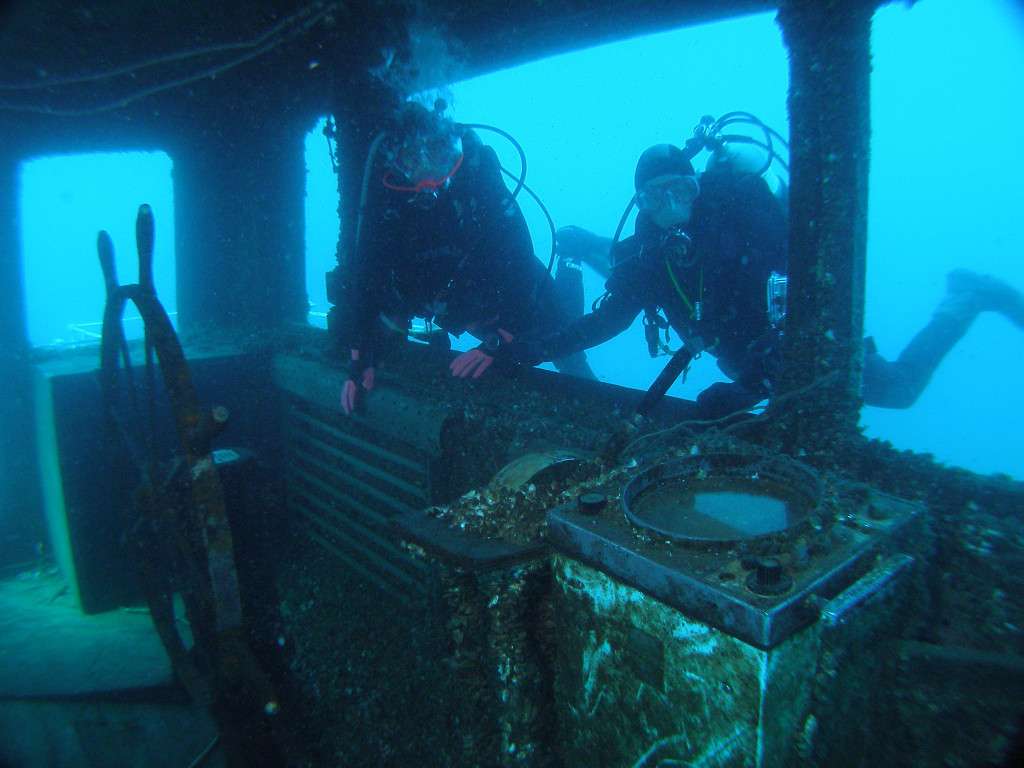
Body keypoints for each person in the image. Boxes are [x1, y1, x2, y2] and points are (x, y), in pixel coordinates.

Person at [484, 143, 1024, 417]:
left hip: (790, 347)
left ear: (698, 189)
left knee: (899, 391)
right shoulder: (648, 253)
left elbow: (813, 291)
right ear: (642, 206)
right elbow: (605, 320)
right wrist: (527, 350)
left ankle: (964, 297)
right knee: (633, 272)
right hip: (738, 356)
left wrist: (760, 383)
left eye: (682, 191)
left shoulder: (744, 224)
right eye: (656, 198)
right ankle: (591, 245)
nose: (673, 207)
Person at [329, 102, 594, 414]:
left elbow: (519, 258)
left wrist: (501, 337)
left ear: (454, 153)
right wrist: (360, 357)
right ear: (395, 162)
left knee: (566, 347)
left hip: (514, 299)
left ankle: (571, 262)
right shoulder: (389, 205)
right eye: (413, 159)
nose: (428, 173)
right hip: (464, 308)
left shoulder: (478, 184)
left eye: (438, 156)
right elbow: (368, 273)